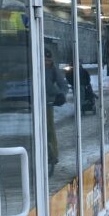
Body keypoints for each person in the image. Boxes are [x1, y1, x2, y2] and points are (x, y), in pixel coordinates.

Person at [45, 48, 69, 177]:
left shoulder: (53, 70)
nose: (47, 62)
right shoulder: (32, 66)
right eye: (45, 60)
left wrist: (61, 96)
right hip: (31, 104)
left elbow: (63, 85)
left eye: (49, 60)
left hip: (48, 103)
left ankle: (53, 155)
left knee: (50, 130)